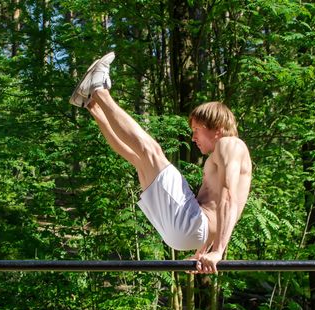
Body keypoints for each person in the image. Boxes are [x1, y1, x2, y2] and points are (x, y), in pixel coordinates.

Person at [69, 52, 252, 274]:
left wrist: (218, 251)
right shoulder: (220, 155)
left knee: (152, 151)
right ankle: (92, 104)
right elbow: (215, 205)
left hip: (193, 228)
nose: (193, 138)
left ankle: (98, 89)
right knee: (138, 159)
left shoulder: (230, 144)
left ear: (218, 129)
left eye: (197, 130)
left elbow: (228, 197)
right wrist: (205, 250)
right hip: (188, 234)